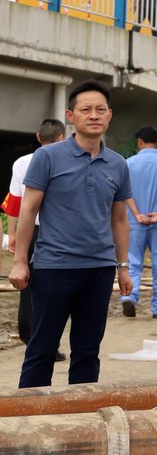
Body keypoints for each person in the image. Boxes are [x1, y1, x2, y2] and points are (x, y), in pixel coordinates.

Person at [10, 81, 134, 387]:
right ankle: (31, 413)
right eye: (85, 109)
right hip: (54, 268)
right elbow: (28, 211)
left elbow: (119, 219)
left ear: (109, 115)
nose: (94, 115)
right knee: (42, 349)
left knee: (88, 351)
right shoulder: (48, 157)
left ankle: (83, 411)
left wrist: (123, 267)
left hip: (99, 270)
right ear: (71, 115)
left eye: (100, 110)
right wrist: (20, 261)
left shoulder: (118, 164)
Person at [3, 119, 66, 357]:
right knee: (55, 288)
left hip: (28, 230)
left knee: (26, 286)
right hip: (56, 231)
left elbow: (14, 202)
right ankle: (49, 344)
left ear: (38, 137)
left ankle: (29, 336)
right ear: (62, 138)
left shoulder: (21, 162)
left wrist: (13, 234)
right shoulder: (64, 160)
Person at [122, 126, 157, 319]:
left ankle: (130, 296)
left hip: (135, 223)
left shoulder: (129, 163)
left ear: (139, 141)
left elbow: (125, 192)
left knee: (133, 263)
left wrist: (137, 214)